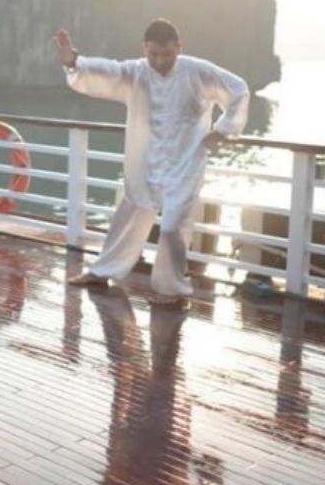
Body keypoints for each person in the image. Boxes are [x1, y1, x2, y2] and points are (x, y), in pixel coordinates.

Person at [53, 18, 249, 299]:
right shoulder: (137, 72)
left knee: (171, 228)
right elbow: (109, 71)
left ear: (178, 47)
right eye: (153, 54)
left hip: (185, 163)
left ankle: (172, 288)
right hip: (145, 158)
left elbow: (238, 89)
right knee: (130, 213)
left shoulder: (197, 71)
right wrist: (74, 61)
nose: (160, 60)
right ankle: (102, 272)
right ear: (144, 48)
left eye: (167, 53)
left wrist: (223, 130)